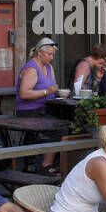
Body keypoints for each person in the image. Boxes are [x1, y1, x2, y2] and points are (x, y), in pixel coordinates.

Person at [16, 37, 60, 173]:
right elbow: (24, 94)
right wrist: (47, 92)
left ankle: (47, 163)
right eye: (49, 54)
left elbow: (53, 86)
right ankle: (43, 165)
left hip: (45, 108)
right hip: (29, 110)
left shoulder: (48, 67)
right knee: (55, 128)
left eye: (53, 54)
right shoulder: (32, 69)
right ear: (40, 52)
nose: (51, 57)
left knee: (63, 124)